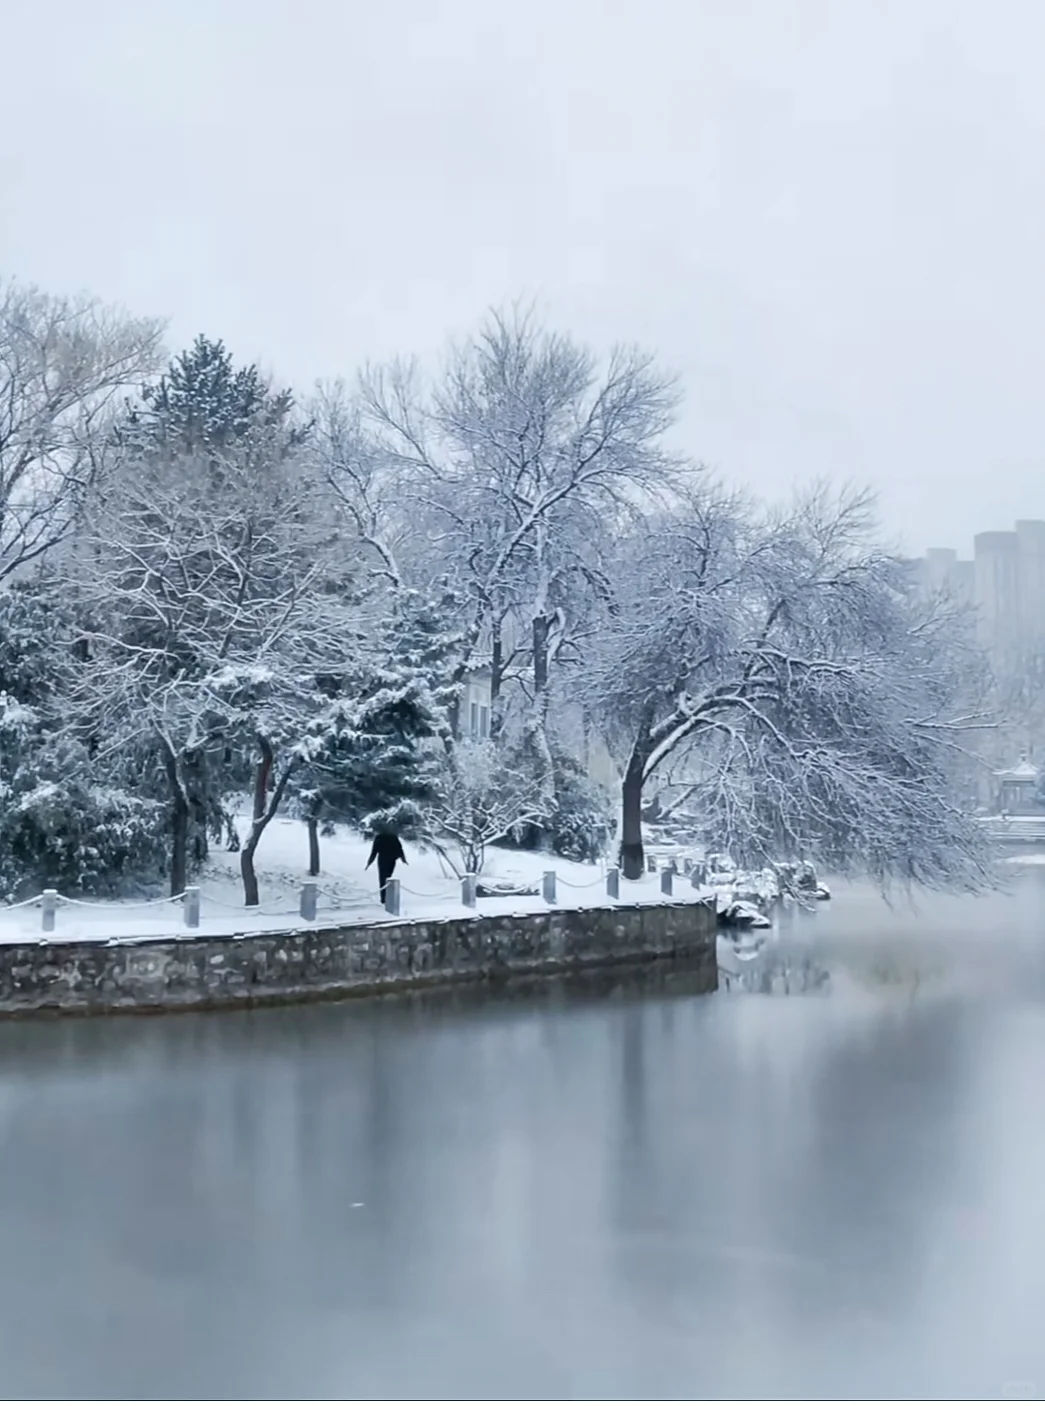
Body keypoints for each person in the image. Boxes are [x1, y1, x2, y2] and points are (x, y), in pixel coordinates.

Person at [366, 829, 407, 904]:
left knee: (382, 879)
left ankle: (383, 899)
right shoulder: (393, 837)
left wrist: (369, 863)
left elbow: (374, 851)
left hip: (382, 859)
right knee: (388, 877)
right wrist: (403, 859)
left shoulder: (379, 837)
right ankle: (387, 897)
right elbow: (400, 849)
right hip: (392, 859)